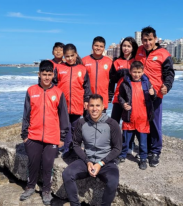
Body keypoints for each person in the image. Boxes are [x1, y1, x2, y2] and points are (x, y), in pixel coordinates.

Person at [20, 60, 69, 204]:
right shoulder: (31, 91)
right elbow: (26, 114)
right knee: (33, 163)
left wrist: (62, 137)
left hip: (52, 137)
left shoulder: (58, 93)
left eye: (49, 74)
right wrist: (25, 135)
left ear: (53, 74)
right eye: (44, 74)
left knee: (48, 165)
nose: (47, 77)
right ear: (39, 74)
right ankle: (30, 187)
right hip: (33, 136)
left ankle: (46, 191)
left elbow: (63, 117)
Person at [62, 94, 122, 206]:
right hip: (87, 160)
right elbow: (75, 144)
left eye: (98, 105)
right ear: (87, 106)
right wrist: (87, 161)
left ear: (103, 106)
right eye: (92, 105)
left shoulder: (112, 124)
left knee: (113, 181)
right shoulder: (81, 122)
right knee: (67, 174)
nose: (94, 109)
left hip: (106, 162)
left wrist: (100, 163)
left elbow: (117, 148)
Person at [135, 26, 175, 167]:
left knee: (155, 123)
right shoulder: (138, 51)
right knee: (142, 122)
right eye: (145, 40)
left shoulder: (164, 54)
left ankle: (156, 151)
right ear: (141, 40)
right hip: (139, 94)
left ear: (155, 39)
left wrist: (167, 86)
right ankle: (144, 149)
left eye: (150, 40)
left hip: (155, 95)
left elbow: (169, 73)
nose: (147, 43)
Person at [116, 61, 156, 170]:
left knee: (143, 142)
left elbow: (153, 98)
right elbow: (120, 97)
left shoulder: (147, 83)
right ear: (130, 71)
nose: (136, 74)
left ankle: (143, 158)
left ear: (143, 72)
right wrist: (123, 104)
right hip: (129, 117)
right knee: (125, 139)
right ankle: (122, 155)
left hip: (143, 118)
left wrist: (153, 94)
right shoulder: (125, 83)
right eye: (134, 72)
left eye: (139, 72)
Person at [55, 44, 91, 157]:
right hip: (63, 104)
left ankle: (75, 148)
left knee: (76, 127)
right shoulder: (59, 68)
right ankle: (66, 149)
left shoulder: (82, 69)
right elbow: (54, 85)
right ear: (64, 56)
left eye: (72, 55)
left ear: (76, 54)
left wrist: (86, 100)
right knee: (65, 127)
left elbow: (87, 87)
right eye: (67, 56)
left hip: (77, 103)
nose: (70, 58)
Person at [109, 37, 138, 124]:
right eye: (124, 46)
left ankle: (127, 138)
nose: (126, 48)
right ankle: (115, 138)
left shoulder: (136, 61)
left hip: (133, 96)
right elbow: (112, 80)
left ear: (133, 48)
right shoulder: (116, 61)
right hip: (118, 96)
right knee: (114, 123)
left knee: (130, 123)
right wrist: (109, 96)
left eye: (129, 46)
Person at [82, 36, 112, 111]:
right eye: (96, 45)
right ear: (92, 46)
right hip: (88, 99)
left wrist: (110, 96)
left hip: (103, 99)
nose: (98, 48)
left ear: (104, 48)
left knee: (102, 122)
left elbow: (112, 81)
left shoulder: (109, 62)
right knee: (87, 122)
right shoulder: (84, 61)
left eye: (101, 46)